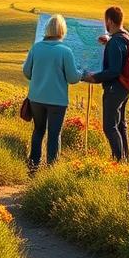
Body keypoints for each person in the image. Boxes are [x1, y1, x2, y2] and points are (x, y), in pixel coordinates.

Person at [22, 14, 82, 170]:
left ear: (47, 29)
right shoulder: (65, 51)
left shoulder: (36, 48)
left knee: (38, 130)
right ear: (63, 31)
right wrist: (82, 73)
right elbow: (72, 78)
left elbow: (27, 72)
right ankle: (51, 169)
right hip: (57, 101)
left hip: (36, 98)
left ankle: (33, 166)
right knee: (54, 135)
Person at [84, 6, 129, 162]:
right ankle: (126, 159)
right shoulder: (127, 36)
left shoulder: (115, 42)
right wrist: (109, 41)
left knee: (109, 126)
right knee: (120, 125)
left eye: (105, 21)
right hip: (125, 88)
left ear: (109, 21)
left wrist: (95, 77)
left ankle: (118, 161)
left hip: (114, 89)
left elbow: (114, 71)